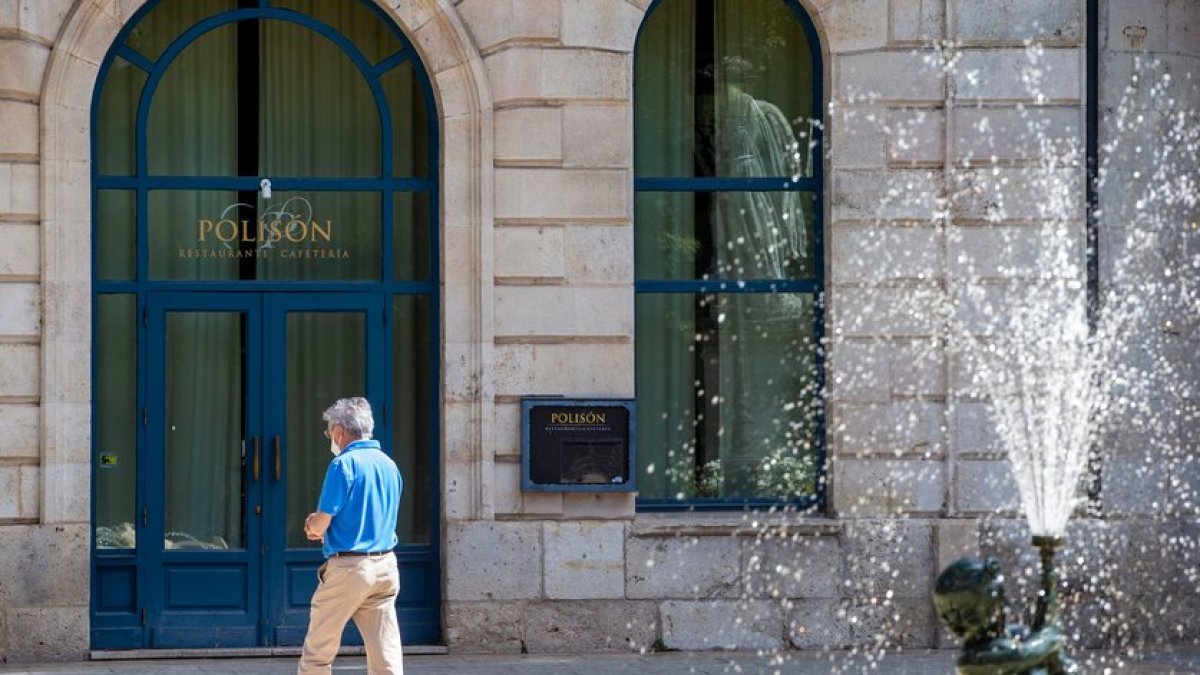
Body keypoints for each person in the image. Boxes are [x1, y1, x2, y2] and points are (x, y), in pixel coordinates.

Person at [298, 397, 404, 675]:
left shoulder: (344, 465)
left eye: (329, 431)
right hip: (386, 566)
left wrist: (311, 525)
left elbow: (322, 522)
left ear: (339, 430)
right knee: (385, 654)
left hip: (350, 568)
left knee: (318, 652)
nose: (330, 437)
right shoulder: (389, 465)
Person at [933, 556, 1078, 675]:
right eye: (948, 616)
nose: (953, 622)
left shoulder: (1015, 634)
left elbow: (1044, 628)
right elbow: (1031, 651)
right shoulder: (973, 661)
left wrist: (1048, 574)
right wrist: (1050, 639)